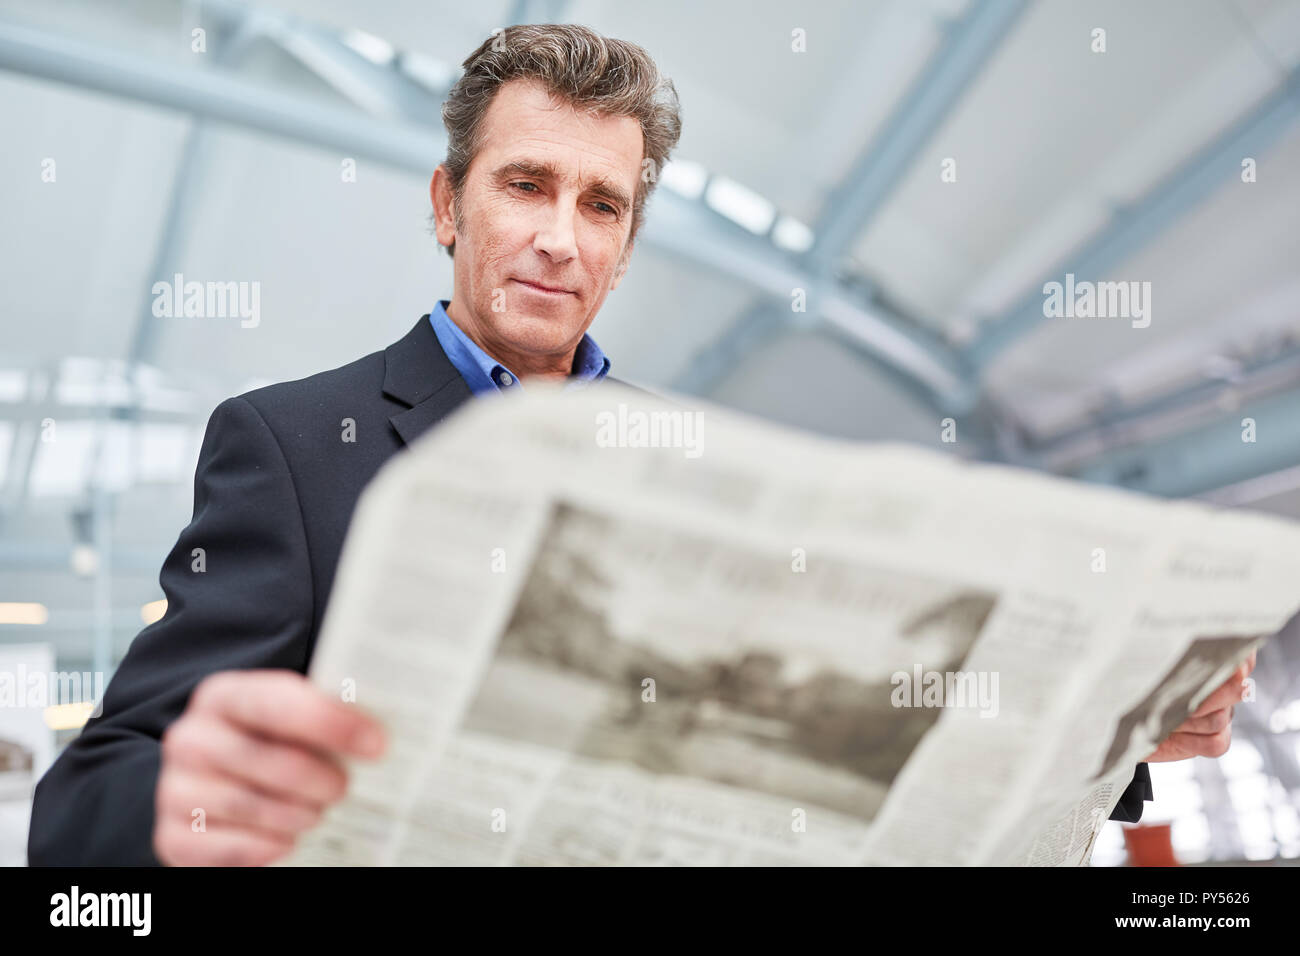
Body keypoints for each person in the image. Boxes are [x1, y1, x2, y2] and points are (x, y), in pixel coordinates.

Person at [28, 23, 1225, 867]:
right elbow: (83, 803)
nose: (559, 236)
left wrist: (1121, 728)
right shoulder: (288, 443)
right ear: (448, 204)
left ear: (630, 238)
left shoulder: (698, 457)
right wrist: (180, 807)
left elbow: (836, 719)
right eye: (525, 185)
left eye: (601, 204)